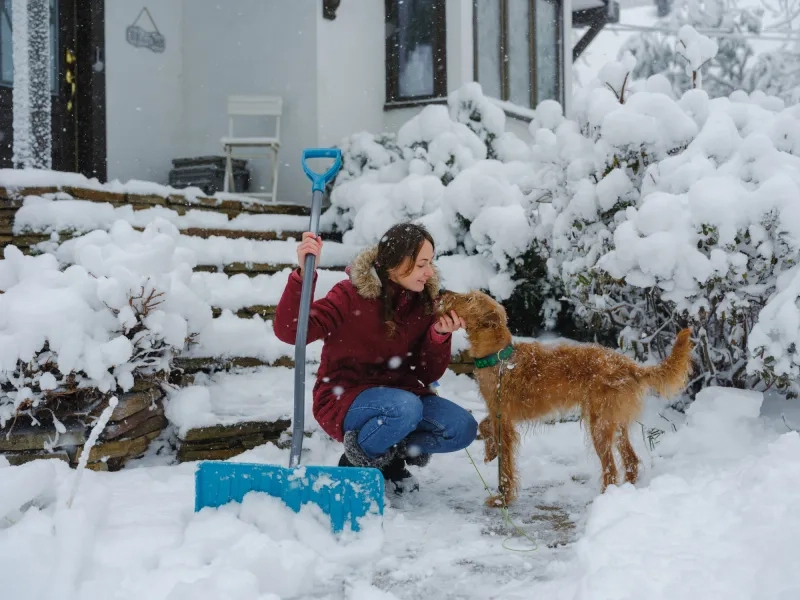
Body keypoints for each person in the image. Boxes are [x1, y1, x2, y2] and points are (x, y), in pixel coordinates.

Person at [274, 222, 478, 494]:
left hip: (403, 399)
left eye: (430, 263)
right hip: (344, 398)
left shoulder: (422, 303)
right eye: (421, 264)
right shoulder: (349, 295)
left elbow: (428, 374)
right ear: (396, 263)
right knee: (405, 408)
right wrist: (304, 275)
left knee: (461, 427)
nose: (428, 272)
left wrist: (438, 336)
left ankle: (389, 457)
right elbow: (291, 331)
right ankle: (353, 464)